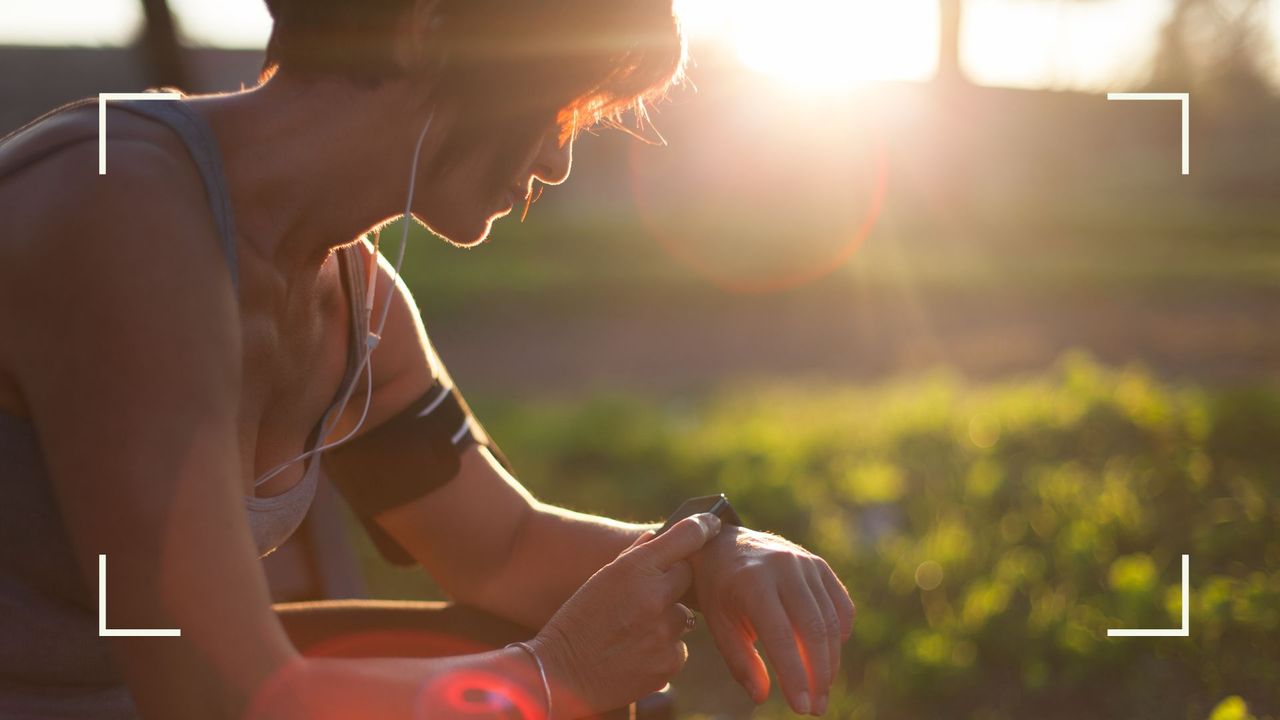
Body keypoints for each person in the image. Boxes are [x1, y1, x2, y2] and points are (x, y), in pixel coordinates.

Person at [0, 0, 855, 717]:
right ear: (431, 28)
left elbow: (505, 547)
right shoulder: (120, 203)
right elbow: (209, 688)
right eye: (561, 105)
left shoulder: (354, 306)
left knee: (510, 662)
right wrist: (551, 677)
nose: (559, 159)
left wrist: (717, 550)